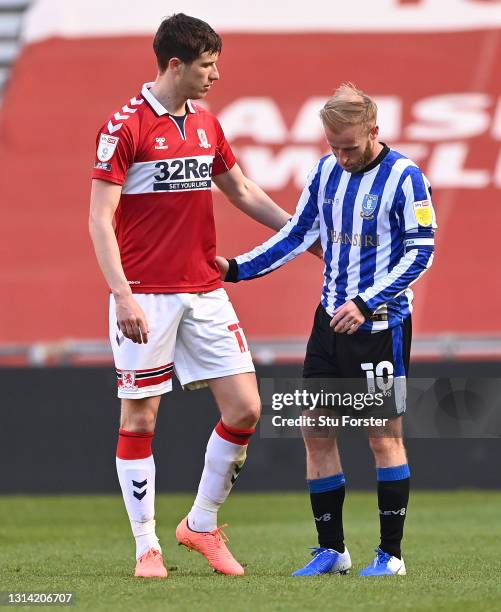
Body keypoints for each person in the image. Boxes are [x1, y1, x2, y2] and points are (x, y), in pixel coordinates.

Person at [89, 13, 293, 578]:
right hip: (145, 296)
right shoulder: (124, 127)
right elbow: (100, 220)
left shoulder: (205, 122)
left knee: (246, 408)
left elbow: (243, 190)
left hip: (204, 291)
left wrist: (303, 236)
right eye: (207, 65)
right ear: (175, 64)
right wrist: (122, 295)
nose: (215, 76)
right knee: (140, 421)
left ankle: (200, 525)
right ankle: (146, 546)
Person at [218, 82, 437, 577]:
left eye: (350, 146)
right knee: (315, 431)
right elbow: (298, 234)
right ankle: (332, 550)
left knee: (382, 438)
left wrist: (367, 301)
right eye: (333, 146)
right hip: (328, 322)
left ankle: (391, 555)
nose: (341, 156)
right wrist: (235, 269)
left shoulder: (406, 178)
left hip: (380, 324)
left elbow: (421, 251)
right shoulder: (325, 172)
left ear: (374, 131)